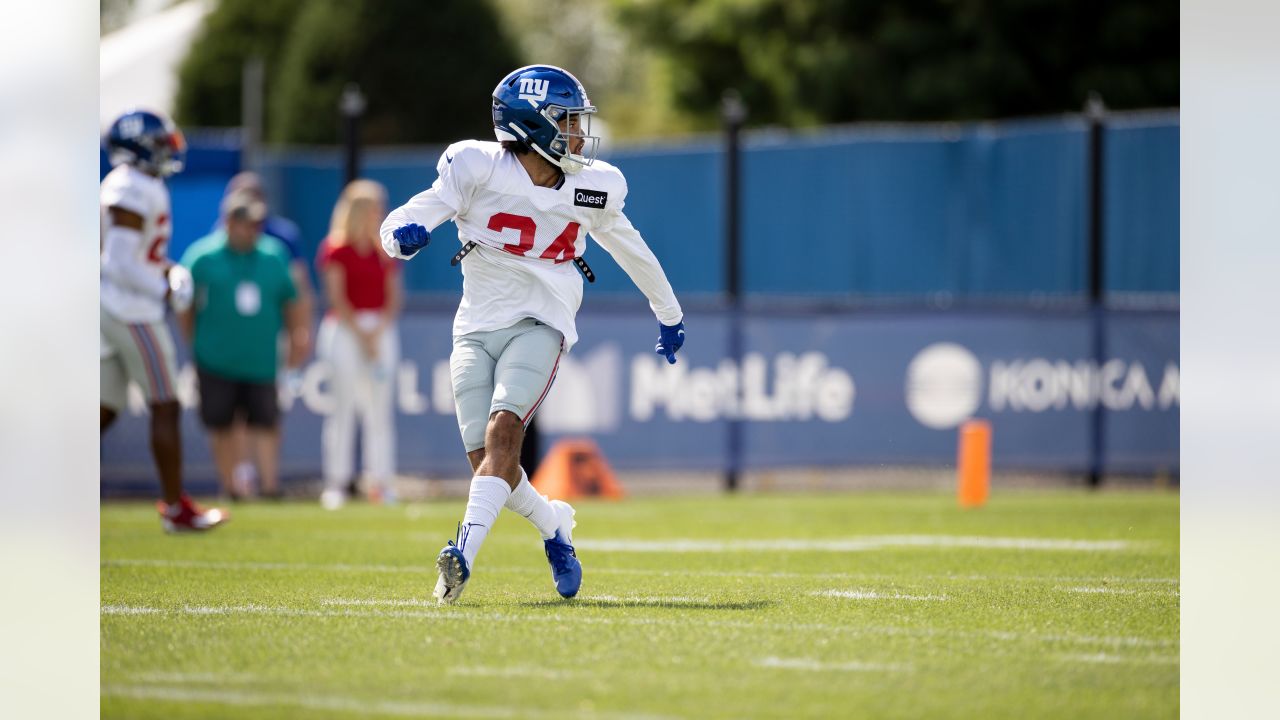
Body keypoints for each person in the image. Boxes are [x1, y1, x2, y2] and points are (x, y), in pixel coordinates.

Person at [380, 65, 686, 604]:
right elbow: (410, 216)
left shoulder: (594, 186)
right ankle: (554, 527)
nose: (577, 133)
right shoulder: (475, 167)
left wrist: (668, 312)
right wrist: (399, 238)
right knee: (489, 463)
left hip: (545, 318)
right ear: (529, 125)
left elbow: (631, 248)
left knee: (503, 434)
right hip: (476, 323)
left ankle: (460, 558)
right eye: (566, 120)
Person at [100, 108, 228, 533]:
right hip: (129, 308)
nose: (166, 151)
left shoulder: (140, 183)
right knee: (166, 403)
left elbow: (141, 255)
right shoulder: (130, 185)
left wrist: (170, 271)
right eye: (158, 144)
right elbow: (118, 262)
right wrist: (164, 290)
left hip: (117, 303)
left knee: (103, 409)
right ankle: (175, 508)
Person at [178, 190, 307, 502]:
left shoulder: (273, 255)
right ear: (229, 223)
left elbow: (291, 301)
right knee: (221, 424)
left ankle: (270, 486)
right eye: (247, 224)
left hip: (261, 358)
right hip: (216, 358)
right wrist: (196, 343)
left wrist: (296, 336)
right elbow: (185, 306)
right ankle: (231, 488)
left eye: (257, 224)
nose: (254, 230)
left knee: (266, 422)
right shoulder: (201, 257)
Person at [217, 172, 315, 499]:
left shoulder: (281, 238)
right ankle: (241, 478)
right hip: (231, 339)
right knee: (233, 413)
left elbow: (298, 288)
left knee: (266, 410)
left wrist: (301, 330)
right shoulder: (219, 237)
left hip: (270, 335)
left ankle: (267, 481)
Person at [316, 180, 403, 509]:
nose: (378, 215)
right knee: (343, 409)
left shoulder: (386, 250)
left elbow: (394, 297)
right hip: (344, 331)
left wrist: (377, 331)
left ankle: (381, 481)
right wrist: (363, 334)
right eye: (373, 209)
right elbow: (337, 298)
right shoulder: (335, 248)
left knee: (379, 411)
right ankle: (336, 483)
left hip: (380, 330)